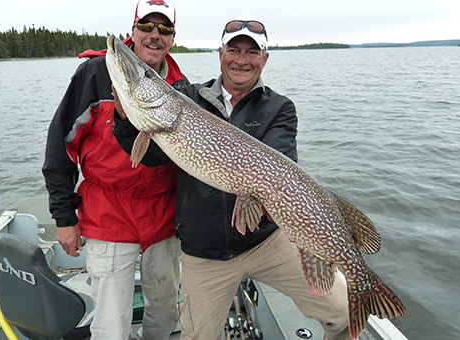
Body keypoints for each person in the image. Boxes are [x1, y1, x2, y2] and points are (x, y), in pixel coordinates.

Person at [173, 17, 351, 340]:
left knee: (345, 313)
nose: (242, 60)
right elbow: (150, 153)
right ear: (220, 53)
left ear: (265, 59)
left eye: (252, 52)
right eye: (234, 50)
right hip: (205, 251)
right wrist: (125, 118)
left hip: (266, 241)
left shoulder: (280, 108)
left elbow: (275, 175)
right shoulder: (189, 99)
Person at [42, 0, 187, 339]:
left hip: (164, 214)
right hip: (109, 211)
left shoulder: (180, 85)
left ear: (173, 39)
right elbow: (59, 149)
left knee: (166, 311)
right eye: (146, 27)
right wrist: (64, 218)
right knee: (111, 320)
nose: (155, 35)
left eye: (164, 29)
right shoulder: (93, 74)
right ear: (132, 31)